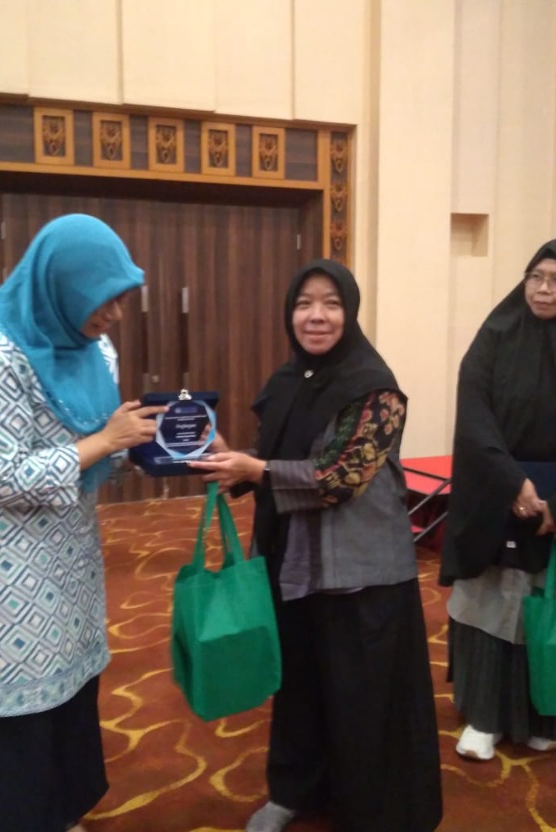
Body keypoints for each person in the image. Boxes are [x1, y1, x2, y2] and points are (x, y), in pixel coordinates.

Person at [189, 259, 442, 832]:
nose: (316, 316)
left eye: (331, 303)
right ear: (289, 313)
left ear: (349, 311)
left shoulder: (375, 388)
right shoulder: (288, 381)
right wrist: (232, 462)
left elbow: (342, 477)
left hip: (359, 572)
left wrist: (256, 468)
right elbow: (271, 459)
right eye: (304, 304)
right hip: (290, 561)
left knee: (360, 695)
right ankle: (295, 789)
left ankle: (369, 809)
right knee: (299, 684)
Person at [0, 214, 167, 832]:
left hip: (65, 550)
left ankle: (59, 813)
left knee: (67, 690)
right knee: (16, 707)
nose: (113, 314)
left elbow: (98, 446)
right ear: (61, 285)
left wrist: (162, 447)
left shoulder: (94, 349)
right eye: (102, 298)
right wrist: (105, 441)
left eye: (121, 299)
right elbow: (3, 477)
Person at [440, 239, 556, 761]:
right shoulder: (495, 335)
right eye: (536, 277)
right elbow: (474, 416)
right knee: (493, 604)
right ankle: (485, 717)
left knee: (543, 609)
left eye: (555, 280)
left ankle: (541, 715)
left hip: (552, 504)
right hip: (496, 490)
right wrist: (512, 483)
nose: (544, 289)